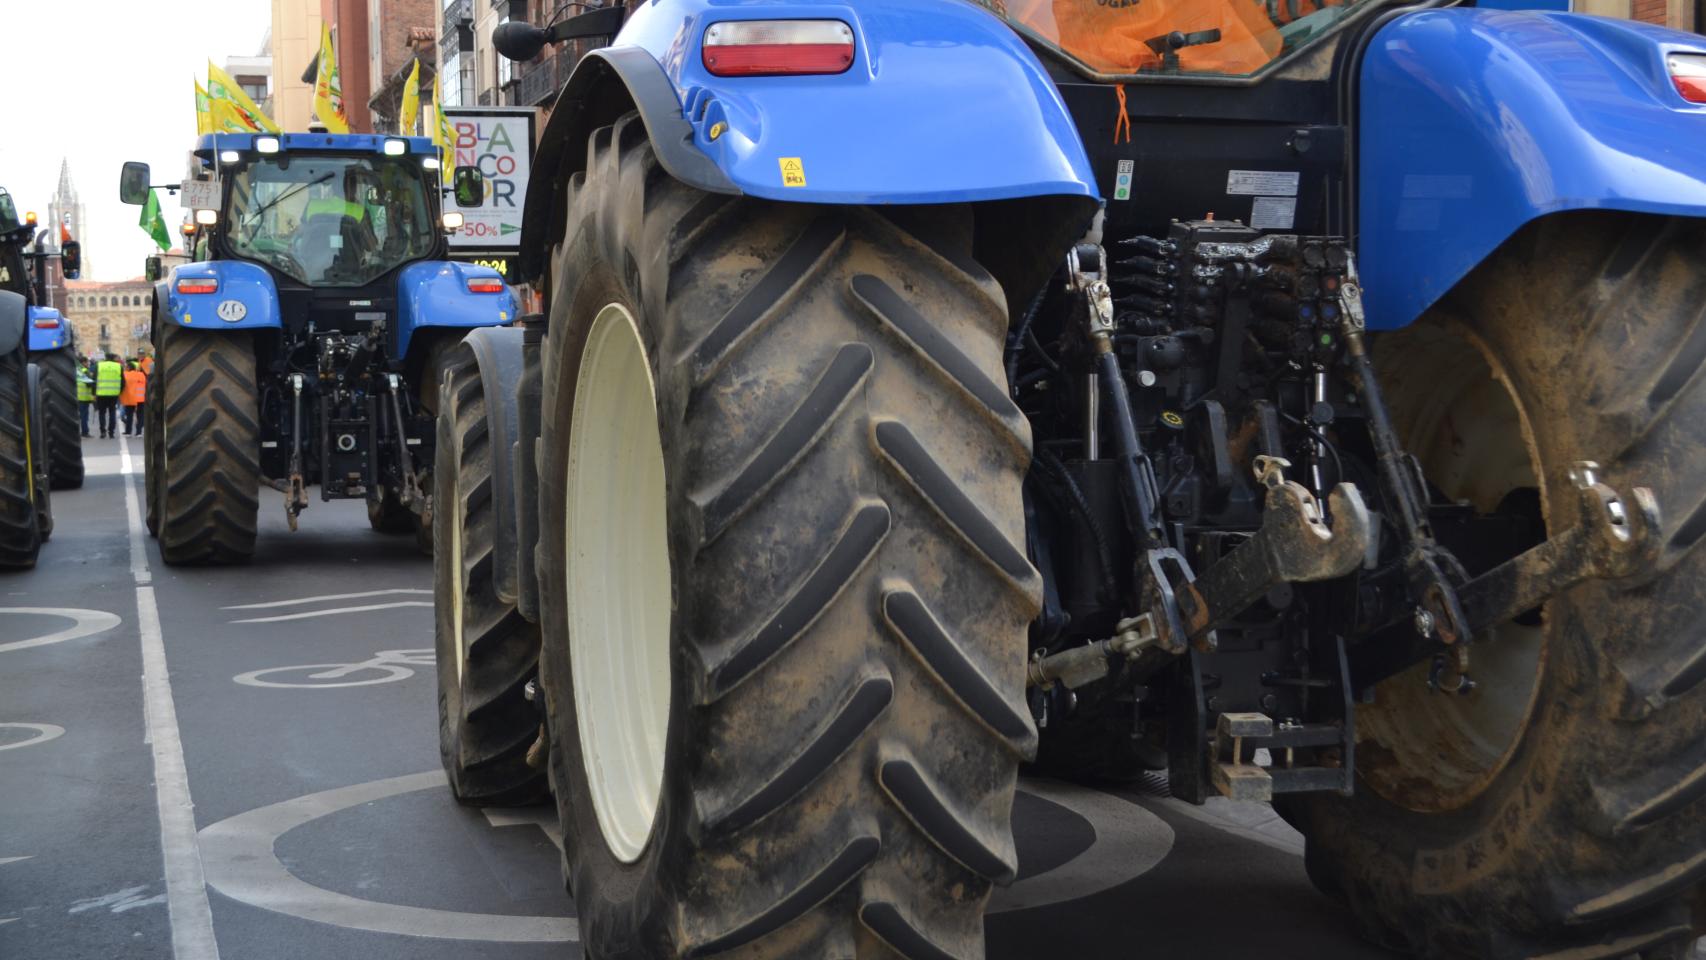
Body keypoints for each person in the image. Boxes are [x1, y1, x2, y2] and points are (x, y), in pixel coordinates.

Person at [94, 352, 123, 439]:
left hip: (101, 393)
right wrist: (119, 391)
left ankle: (103, 431)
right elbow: (123, 381)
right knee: (112, 413)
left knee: (102, 413)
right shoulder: (118, 366)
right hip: (113, 394)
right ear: (113, 358)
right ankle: (111, 432)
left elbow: (94, 380)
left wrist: (93, 393)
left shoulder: (99, 365)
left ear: (105, 357)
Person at [121, 359, 147, 437]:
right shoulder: (141, 375)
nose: (125, 368)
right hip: (141, 398)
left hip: (130, 398)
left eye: (126, 367)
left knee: (129, 416)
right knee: (140, 416)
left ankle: (128, 432)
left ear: (128, 368)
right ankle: (139, 432)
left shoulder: (125, 375)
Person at [76, 358, 94, 437]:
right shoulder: (85, 371)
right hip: (84, 397)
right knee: (84, 416)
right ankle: (85, 432)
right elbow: (89, 383)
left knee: (78, 416)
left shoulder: (76, 371)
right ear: (83, 362)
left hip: (77, 396)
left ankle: (78, 432)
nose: (88, 364)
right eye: (87, 362)